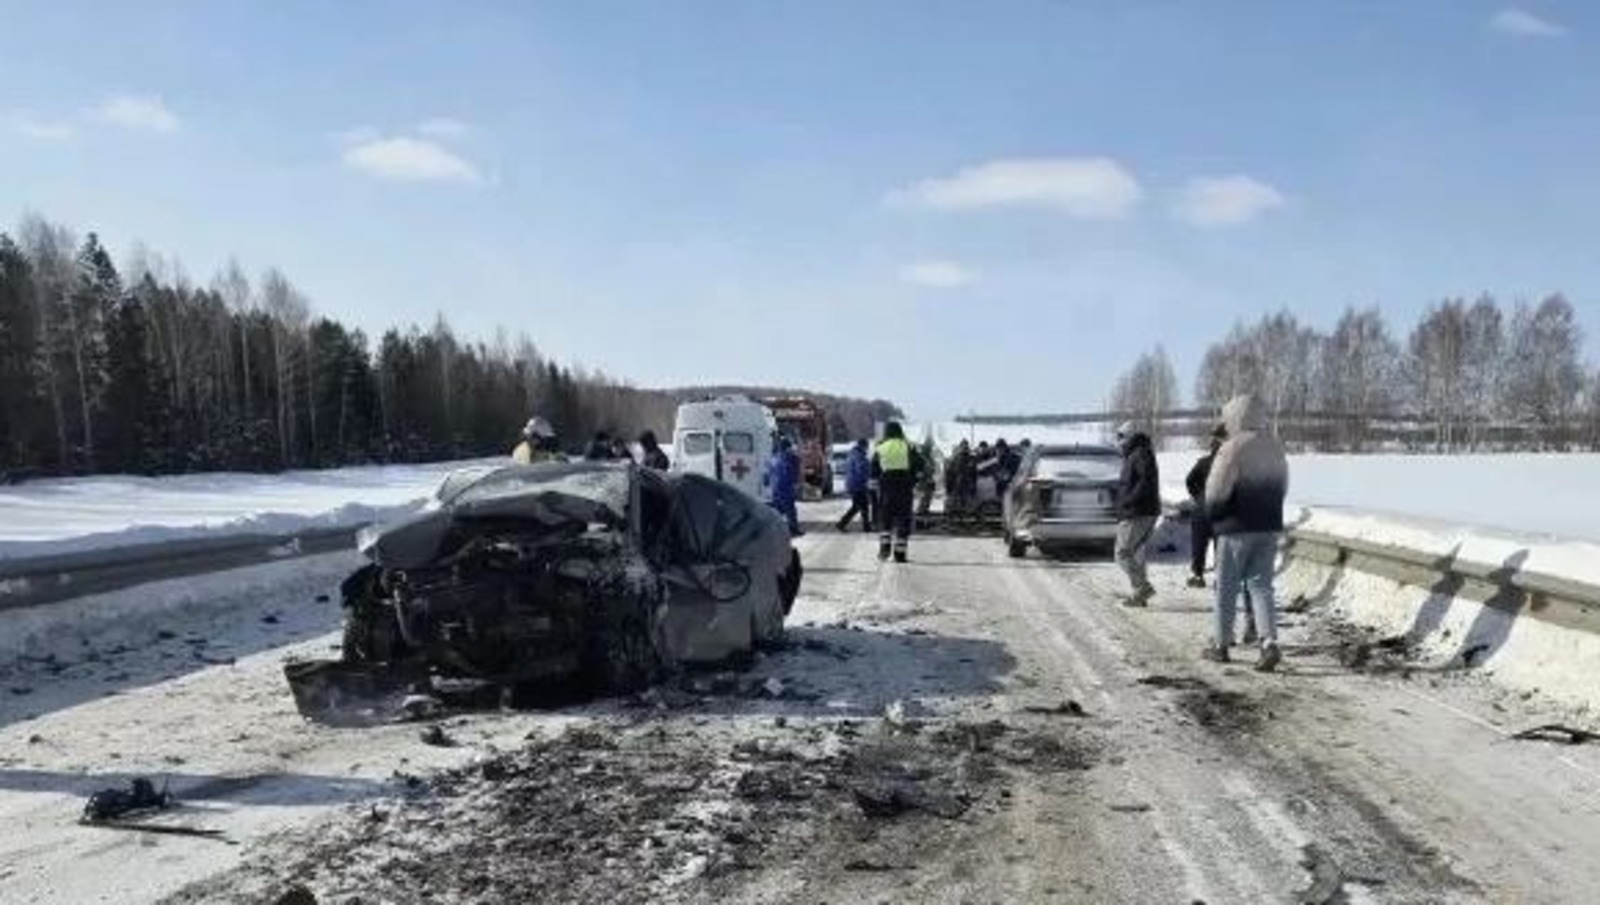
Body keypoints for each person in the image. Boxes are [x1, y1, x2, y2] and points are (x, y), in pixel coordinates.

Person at [1205, 394, 1290, 671]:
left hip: (1236, 526)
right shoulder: (1276, 446)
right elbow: (1283, 485)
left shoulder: (1232, 447)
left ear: (1234, 417)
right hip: (1268, 524)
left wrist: (1214, 514)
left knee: (1226, 587)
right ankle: (1269, 644)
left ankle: (1220, 644)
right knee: (1261, 586)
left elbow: (1217, 488)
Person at [1114, 421, 1161, 607]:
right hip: (1142, 510)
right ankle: (1139, 593)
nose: (1119, 442)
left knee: (1122, 553)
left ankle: (1141, 587)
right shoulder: (1137, 453)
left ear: (1128, 436)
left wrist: (1129, 501)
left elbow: (1145, 481)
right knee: (1135, 554)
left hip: (1138, 512)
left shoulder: (1139, 453)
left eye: (1120, 437)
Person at [872, 421, 925, 562]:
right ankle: (900, 554)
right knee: (903, 519)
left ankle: (884, 549)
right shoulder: (908, 447)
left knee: (885, 518)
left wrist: (875, 487)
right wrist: (914, 480)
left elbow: (873, 471)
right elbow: (921, 465)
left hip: (886, 487)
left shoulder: (880, 448)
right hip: (904, 487)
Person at [1185, 427, 1225, 588]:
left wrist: (1198, 496)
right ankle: (1220, 579)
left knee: (1199, 544)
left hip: (1202, 510)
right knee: (1221, 545)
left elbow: (1189, 481)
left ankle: (1197, 576)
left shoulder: (1203, 463)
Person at [767, 436, 804, 536]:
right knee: (790, 511)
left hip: (775, 488)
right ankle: (793, 530)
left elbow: (767, 474)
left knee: (778, 511)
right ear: (788, 446)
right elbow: (793, 472)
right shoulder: (790, 457)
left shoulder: (773, 458)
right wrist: (797, 484)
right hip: (786, 488)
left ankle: (773, 530)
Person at [836, 438, 874, 531]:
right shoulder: (859, 456)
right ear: (863, 446)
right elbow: (860, 469)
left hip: (853, 483)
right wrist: (867, 477)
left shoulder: (853, 454)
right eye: (866, 446)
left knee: (862, 506)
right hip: (857, 484)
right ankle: (842, 523)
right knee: (858, 506)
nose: (867, 448)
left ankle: (866, 526)